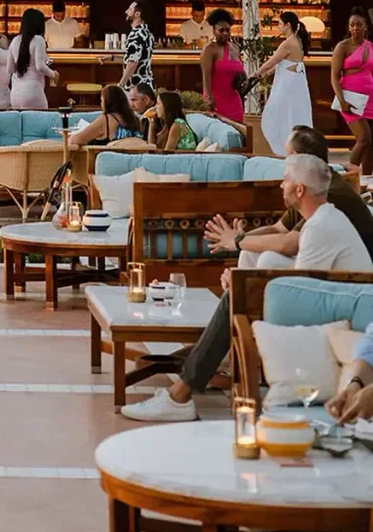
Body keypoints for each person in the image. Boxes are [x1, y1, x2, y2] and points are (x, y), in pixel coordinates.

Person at [121, 149, 373, 423]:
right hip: (336, 301)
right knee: (252, 274)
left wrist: (243, 283)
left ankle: (180, 394)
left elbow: (298, 294)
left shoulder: (321, 226)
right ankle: (196, 371)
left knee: (235, 300)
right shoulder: (321, 219)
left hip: (351, 312)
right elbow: (297, 280)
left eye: (285, 179)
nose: (280, 184)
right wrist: (243, 276)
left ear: (299, 190)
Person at [205, 125, 373, 267]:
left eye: (287, 158)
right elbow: (278, 229)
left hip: (353, 276)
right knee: (251, 254)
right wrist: (241, 238)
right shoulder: (313, 186)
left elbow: (290, 243)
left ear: (296, 157)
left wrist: (237, 241)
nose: (282, 183)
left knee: (267, 261)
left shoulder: (326, 193)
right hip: (326, 263)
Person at [257, 11, 313, 156]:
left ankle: (285, 149)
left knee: (276, 114)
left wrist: (255, 74)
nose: (278, 27)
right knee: (291, 115)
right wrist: (264, 74)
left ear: (288, 25)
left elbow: (273, 61)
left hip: (288, 86)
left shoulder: (288, 43)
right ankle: (291, 148)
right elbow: (281, 65)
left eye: (280, 24)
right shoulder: (298, 40)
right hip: (294, 84)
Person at [332, 7, 373, 176]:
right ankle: (349, 177)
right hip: (350, 99)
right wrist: (342, 101)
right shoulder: (342, 47)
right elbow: (334, 77)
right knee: (364, 139)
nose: (355, 28)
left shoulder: (370, 46)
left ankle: (366, 181)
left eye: (359, 24)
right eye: (352, 25)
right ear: (348, 28)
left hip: (370, 99)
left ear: (365, 27)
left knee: (372, 143)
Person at [8, 8, 58, 111]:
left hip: (15, 95)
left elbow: (9, 69)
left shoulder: (15, 40)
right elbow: (40, 66)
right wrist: (54, 74)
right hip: (33, 92)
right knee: (41, 124)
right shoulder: (38, 40)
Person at [200, 9, 244, 123]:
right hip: (216, 102)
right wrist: (208, 99)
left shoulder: (235, 48)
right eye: (221, 30)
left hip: (234, 101)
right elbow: (206, 76)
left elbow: (241, 73)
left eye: (227, 30)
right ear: (214, 31)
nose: (225, 33)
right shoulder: (209, 49)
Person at [68, 84, 144, 149]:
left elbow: (74, 140)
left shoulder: (106, 119)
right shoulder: (135, 119)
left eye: (101, 100)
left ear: (107, 102)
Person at [118, 1, 154, 90]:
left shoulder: (136, 34)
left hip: (136, 87)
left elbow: (132, 63)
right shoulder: (147, 33)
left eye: (130, 9)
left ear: (137, 14)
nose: (126, 11)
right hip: (147, 85)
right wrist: (111, 57)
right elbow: (136, 58)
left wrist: (121, 85)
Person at [149, 88, 198, 152]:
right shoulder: (168, 124)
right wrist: (151, 125)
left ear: (166, 106)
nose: (155, 107)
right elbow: (152, 149)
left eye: (158, 104)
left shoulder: (177, 124)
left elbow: (166, 153)